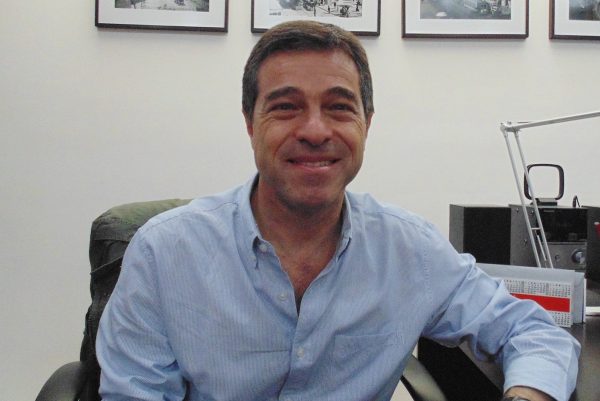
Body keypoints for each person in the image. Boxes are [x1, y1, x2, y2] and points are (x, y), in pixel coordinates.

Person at [96, 20, 580, 401]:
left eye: (339, 107)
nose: (314, 130)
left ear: (366, 123)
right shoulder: (164, 252)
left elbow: (533, 331)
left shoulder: (409, 250)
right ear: (250, 123)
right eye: (286, 107)